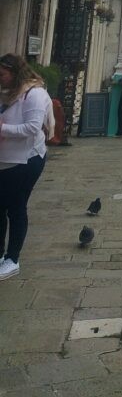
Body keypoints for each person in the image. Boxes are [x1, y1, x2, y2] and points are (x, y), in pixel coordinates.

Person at [0, 54, 54, 281]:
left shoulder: (34, 94)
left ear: (15, 73)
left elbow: (33, 128)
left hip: (26, 161)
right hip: (6, 160)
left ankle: (12, 259)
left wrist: (2, 129)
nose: (0, 79)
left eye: (2, 74)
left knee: (16, 207)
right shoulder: (8, 93)